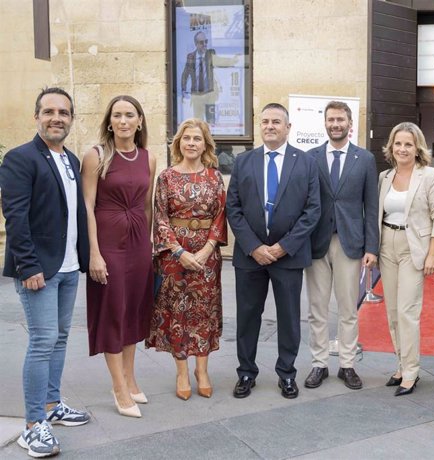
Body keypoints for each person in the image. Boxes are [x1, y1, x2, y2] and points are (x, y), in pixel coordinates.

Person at [0, 87, 90, 457]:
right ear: (36, 116)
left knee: (60, 337)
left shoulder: (70, 160)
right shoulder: (19, 159)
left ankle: (52, 406)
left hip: (68, 266)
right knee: (41, 342)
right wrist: (28, 265)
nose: (57, 118)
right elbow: (15, 216)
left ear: (71, 119)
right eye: (50, 111)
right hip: (40, 268)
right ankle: (33, 425)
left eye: (64, 112)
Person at [226, 103, 320, 400]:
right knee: (248, 316)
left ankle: (287, 374)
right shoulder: (243, 162)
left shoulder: (305, 163)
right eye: (265, 121)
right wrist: (254, 247)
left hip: (288, 256)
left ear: (288, 127)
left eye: (276, 121)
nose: (270, 126)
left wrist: (283, 247)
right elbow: (234, 208)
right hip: (250, 256)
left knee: (289, 318)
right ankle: (245, 372)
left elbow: (312, 210)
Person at [82, 95, 156, 418]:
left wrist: (149, 244)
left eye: (130, 115)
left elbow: (147, 205)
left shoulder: (149, 158)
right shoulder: (96, 156)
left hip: (139, 243)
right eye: (117, 115)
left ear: (139, 121)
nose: (123, 121)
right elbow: (87, 206)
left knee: (133, 311)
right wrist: (94, 253)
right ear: (109, 122)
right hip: (108, 243)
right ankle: (117, 386)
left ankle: (130, 376)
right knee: (113, 311)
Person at [146, 118, 227, 401]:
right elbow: (160, 217)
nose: (191, 143)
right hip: (174, 257)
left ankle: (202, 370)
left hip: (207, 255)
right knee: (177, 312)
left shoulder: (214, 177)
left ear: (205, 144)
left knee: (204, 311)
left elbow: (220, 216)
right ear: (179, 143)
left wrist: (206, 251)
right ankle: (181, 371)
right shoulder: (166, 177)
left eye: (197, 139)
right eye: (187, 138)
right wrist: (179, 252)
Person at [304, 101, 379, 390]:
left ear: (350, 124)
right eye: (331, 119)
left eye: (340, 119)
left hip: (351, 243)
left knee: (348, 308)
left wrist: (371, 247)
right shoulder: (311, 158)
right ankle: (319, 364)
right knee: (317, 308)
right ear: (325, 123)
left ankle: (347, 364)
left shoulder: (365, 160)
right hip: (316, 243)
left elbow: (370, 207)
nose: (335, 124)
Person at [377, 122, 434, 396]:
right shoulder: (385, 176)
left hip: (413, 247)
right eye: (398, 143)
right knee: (392, 312)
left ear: (417, 148)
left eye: (408, 144)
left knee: (408, 311)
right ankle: (401, 364)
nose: (402, 149)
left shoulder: (429, 175)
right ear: (391, 147)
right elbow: (378, 215)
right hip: (387, 246)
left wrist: (433, 253)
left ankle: (411, 372)